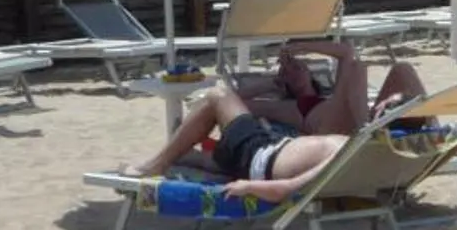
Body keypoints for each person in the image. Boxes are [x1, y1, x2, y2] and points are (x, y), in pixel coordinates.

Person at [126, 84, 352, 201]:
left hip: (258, 157)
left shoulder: (349, 153)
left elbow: (289, 188)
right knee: (231, 128)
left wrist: (249, 187)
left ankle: (156, 164)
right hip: (268, 149)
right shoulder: (362, 149)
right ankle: (188, 153)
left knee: (218, 96)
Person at [236, 41, 423, 136]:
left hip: (354, 117)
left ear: (310, 74)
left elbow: (346, 51)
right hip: (330, 130)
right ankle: (366, 132)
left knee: (402, 69)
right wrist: (271, 83)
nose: (291, 71)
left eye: (297, 67)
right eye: (286, 72)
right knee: (357, 67)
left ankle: (435, 129)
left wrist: (299, 47)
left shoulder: (335, 94)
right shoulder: (287, 106)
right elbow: (235, 102)